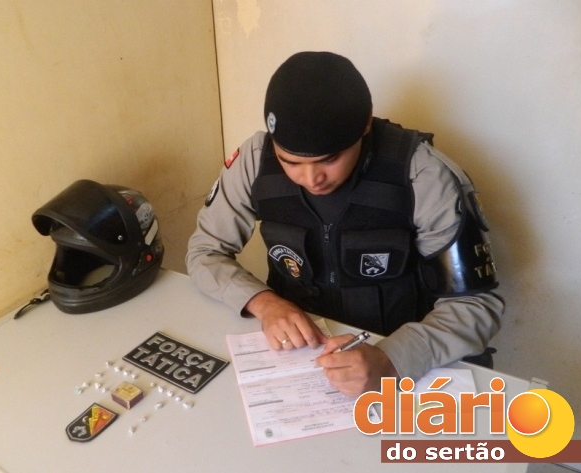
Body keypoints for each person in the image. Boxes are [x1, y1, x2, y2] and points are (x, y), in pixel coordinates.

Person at [186, 51, 502, 397]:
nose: (311, 179)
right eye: (290, 162)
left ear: (365, 124)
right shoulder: (254, 160)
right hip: (299, 359)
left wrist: (392, 359)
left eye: (329, 159)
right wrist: (264, 303)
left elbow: (476, 305)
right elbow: (205, 252)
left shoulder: (423, 175)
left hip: (403, 363)